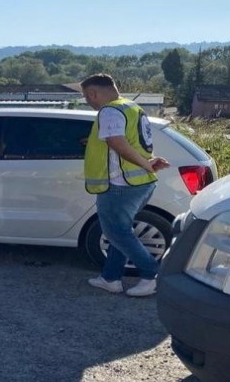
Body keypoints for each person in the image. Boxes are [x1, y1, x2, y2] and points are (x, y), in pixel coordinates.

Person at [80, 73, 170, 297]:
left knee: (117, 232)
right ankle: (110, 278)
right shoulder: (132, 108)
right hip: (139, 183)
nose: (87, 101)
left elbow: (117, 143)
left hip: (121, 185)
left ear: (93, 93)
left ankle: (151, 274)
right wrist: (148, 163)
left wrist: (147, 164)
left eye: (86, 97)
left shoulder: (110, 111)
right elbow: (132, 143)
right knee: (120, 232)